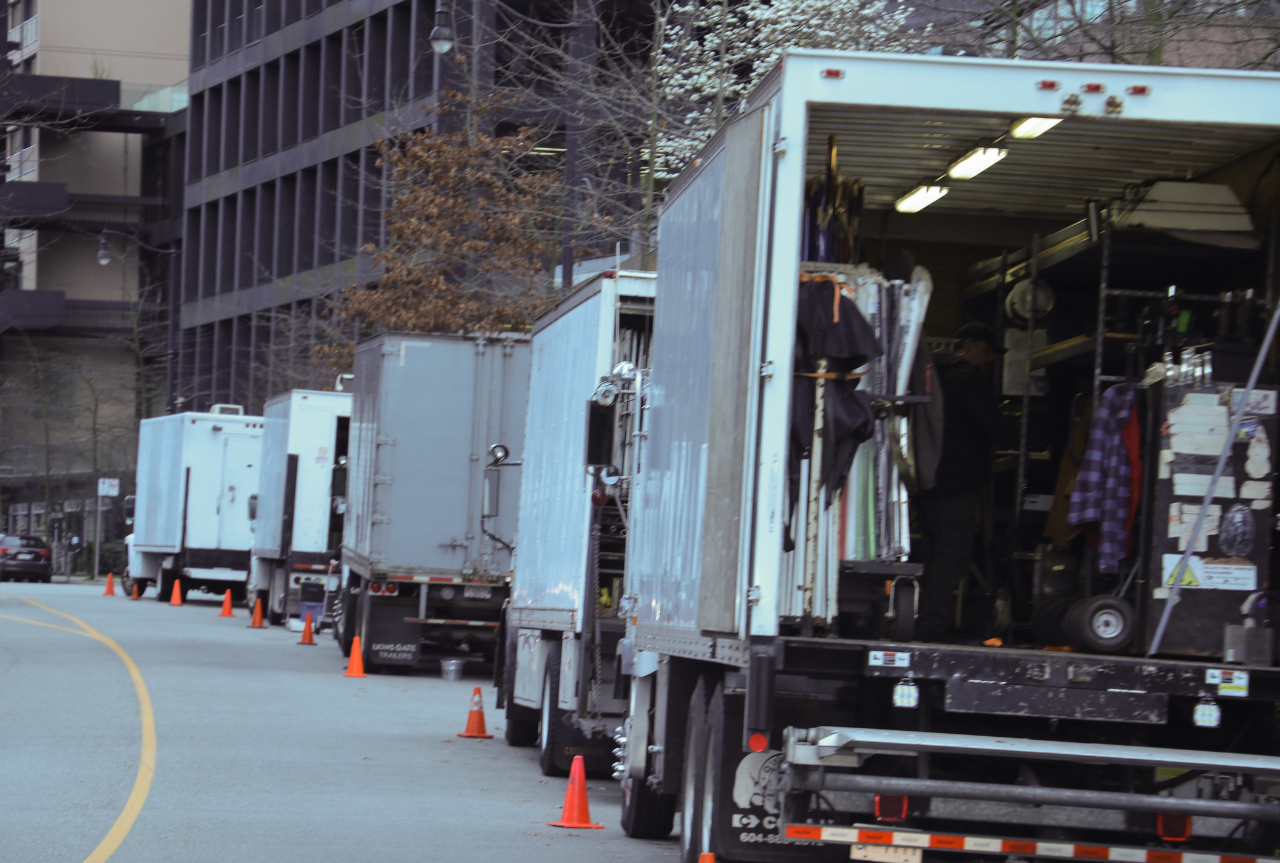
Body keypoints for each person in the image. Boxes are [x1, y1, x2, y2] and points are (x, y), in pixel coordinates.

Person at [914, 322, 1009, 642]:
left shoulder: (932, 373)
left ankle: (923, 621)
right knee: (954, 553)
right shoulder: (964, 378)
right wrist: (1023, 433)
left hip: (928, 478)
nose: (990, 359)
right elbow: (992, 424)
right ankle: (933, 625)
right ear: (967, 344)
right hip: (955, 481)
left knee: (935, 552)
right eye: (986, 350)